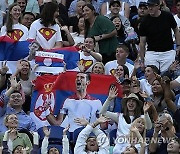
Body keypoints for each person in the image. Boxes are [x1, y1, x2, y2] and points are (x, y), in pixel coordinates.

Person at [100, 86, 152, 153]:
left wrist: (145, 113)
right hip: (121, 145)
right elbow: (103, 112)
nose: (131, 103)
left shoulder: (141, 117)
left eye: (133, 101)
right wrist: (109, 99)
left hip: (137, 145)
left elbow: (149, 127)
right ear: (126, 104)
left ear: (137, 105)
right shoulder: (119, 116)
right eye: (129, 101)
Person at [139, 0, 180, 73]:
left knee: (167, 76)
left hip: (168, 52)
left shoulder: (168, 16)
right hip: (152, 52)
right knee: (152, 75)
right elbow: (142, 42)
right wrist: (142, 60)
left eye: (152, 6)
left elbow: (176, 30)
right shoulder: (144, 21)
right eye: (148, 6)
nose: (150, 8)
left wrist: (178, 45)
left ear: (158, 6)